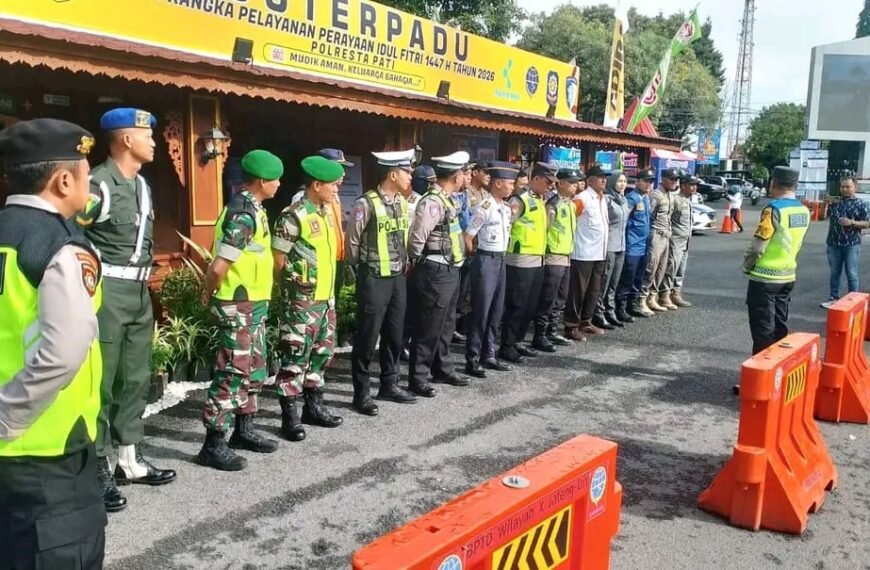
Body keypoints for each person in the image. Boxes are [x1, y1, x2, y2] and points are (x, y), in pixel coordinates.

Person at [0, 118, 107, 569]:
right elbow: (64, 351)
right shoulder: (59, 246)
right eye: (85, 170)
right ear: (64, 180)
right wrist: (7, 416)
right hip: (47, 452)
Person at [76, 108, 175, 512]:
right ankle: (98, 465)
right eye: (145, 134)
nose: (153, 140)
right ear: (125, 140)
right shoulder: (98, 184)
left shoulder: (143, 186)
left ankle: (129, 461)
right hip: (107, 291)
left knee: (134, 376)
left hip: (137, 292)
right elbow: (71, 233)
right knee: (103, 379)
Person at [197, 150, 282, 471]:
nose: (279, 184)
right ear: (262, 181)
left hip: (253, 305)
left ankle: (243, 431)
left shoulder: (255, 209)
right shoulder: (242, 215)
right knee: (234, 370)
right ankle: (213, 443)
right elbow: (219, 266)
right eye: (275, 179)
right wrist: (207, 292)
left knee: (253, 367)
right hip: (238, 306)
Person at [272, 156, 345, 439]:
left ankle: (313, 408)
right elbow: (278, 260)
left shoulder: (325, 212)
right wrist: (293, 292)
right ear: (316, 185)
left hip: (326, 300)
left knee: (321, 354)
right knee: (295, 357)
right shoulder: (293, 216)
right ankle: (289, 417)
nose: (337, 190)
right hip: (302, 302)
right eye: (332, 186)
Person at [345, 149, 418, 417]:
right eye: (407, 172)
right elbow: (352, 242)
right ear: (392, 174)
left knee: (395, 335)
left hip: (398, 277)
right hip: (374, 278)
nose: (411, 176)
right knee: (367, 336)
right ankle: (361, 394)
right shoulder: (366, 203)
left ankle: (389, 384)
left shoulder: (401, 202)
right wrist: (360, 269)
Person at [407, 151, 471, 397]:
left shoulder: (448, 199)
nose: (466, 177)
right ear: (455, 176)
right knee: (429, 325)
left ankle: (442, 368)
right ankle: (418, 377)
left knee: (446, 322)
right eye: (463, 174)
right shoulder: (432, 202)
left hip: (451, 267)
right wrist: (420, 260)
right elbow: (416, 239)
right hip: (435, 269)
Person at [743, 167, 809, 355]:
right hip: (788, 275)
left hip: (764, 278)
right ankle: (779, 373)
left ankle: (760, 380)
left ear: (774, 183)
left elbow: (758, 247)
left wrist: (747, 266)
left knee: (762, 329)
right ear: (795, 185)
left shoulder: (773, 209)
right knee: (780, 327)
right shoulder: (803, 210)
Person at [463, 161, 518, 378]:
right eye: (509, 183)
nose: (512, 187)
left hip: (501, 260)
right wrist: (474, 257)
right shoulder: (484, 207)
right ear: (497, 184)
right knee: (481, 312)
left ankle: (489, 354)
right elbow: (468, 237)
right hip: (485, 259)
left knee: (496, 310)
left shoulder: (504, 208)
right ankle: (472, 358)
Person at [498, 162, 557, 363]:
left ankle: (517, 341)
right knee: (517, 305)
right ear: (536, 179)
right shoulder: (520, 199)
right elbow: (507, 225)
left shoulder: (541, 200)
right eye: (548, 182)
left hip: (537, 259)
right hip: (520, 259)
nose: (550, 186)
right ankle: (506, 345)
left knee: (530, 305)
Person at [532, 167, 582, 352]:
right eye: (571, 183)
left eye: (576, 183)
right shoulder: (552, 204)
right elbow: (545, 229)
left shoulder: (569, 204)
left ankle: (552, 331)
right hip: (553, 255)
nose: (575, 186)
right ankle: (540, 335)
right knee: (548, 298)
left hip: (566, 254)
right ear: (560, 183)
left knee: (561, 298)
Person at [564, 165, 610, 341]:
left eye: (605, 177)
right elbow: (569, 219)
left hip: (599, 251)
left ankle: (586, 321)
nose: (604, 180)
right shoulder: (581, 198)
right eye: (600, 177)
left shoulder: (602, 198)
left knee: (594, 290)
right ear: (590, 180)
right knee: (578, 291)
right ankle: (571, 325)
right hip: (583, 252)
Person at [400, 164, 436, 362]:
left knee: (421, 306)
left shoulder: (431, 200)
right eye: (429, 182)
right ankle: (404, 342)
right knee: (410, 305)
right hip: (413, 260)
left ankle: (414, 341)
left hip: (427, 261)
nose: (432, 186)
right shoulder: (411, 203)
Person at [454, 162, 491, 343]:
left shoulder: (486, 194)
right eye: (486, 172)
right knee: (461, 288)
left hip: (479, 246)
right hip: (465, 244)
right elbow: (463, 220)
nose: (489, 176)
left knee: (469, 289)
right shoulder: (465, 194)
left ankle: (465, 323)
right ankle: (456, 324)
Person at [821, 176, 869, 308]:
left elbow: (867, 223)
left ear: (855, 188)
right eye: (842, 187)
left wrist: (852, 222)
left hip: (851, 244)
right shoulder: (835, 202)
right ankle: (833, 298)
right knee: (835, 272)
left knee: (851, 272)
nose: (844, 189)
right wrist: (825, 205)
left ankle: (853, 302)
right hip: (833, 243)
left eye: (848, 187)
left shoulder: (860, 204)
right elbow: (823, 217)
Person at [594, 170, 631, 329]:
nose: (622, 184)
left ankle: (610, 311)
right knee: (604, 282)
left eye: (624, 181)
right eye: (619, 181)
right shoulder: (607, 199)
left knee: (614, 283)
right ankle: (598, 313)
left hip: (621, 246)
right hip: (608, 246)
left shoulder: (623, 200)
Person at [640, 168, 679, 314]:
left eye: (676, 179)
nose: (675, 182)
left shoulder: (669, 195)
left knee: (661, 268)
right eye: (672, 179)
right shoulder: (656, 195)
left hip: (666, 235)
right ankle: (641, 298)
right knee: (651, 267)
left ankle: (652, 297)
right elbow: (647, 215)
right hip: (656, 234)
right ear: (663, 179)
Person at [618, 168, 654, 318]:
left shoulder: (646, 198)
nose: (648, 184)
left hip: (643, 245)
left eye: (651, 181)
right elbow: (624, 220)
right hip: (632, 245)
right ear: (638, 181)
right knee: (627, 278)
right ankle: (621, 308)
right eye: (645, 181)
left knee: (638, 278)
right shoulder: (632, 198)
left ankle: (633, 305)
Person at [664, 173, 697, 308]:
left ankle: (676, 293)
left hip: (685, 241)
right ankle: (664, 295)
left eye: (695, 185)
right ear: (683, 185)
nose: (694, 188)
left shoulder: (688, 200)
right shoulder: (675, 199)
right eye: (691, 185)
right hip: (675, 240)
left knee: (680, 269)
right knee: (671, 268)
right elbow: (667, 219)